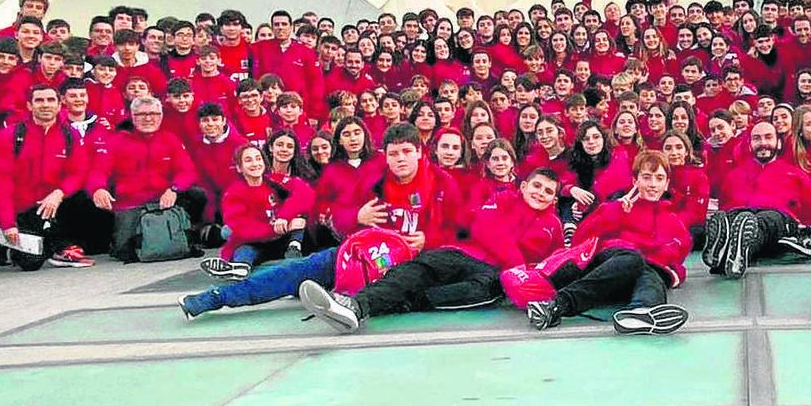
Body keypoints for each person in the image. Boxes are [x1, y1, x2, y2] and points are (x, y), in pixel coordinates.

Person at [179, 123, 462, 319]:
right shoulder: (373, 178)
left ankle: (344, 304)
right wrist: (357, 215)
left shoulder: (442, 183)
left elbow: (459, 231)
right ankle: (218, 297)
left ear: (420, 152)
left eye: (407, 152)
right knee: (295, 270)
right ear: (384, 155)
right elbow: (339, 215)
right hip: (362, 254)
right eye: (393, 153)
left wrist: (429, 240)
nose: (400, 159)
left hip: (412, 262)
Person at [296, 168, 567, 332]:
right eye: (537, 186)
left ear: (554, 199)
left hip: (497, 274)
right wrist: (518, 263)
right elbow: (486, 229)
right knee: (418, 270)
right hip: (465, 254)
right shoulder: (504, 198)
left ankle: (372, 308)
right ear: (523, 186)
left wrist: (523, 277)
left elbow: (552, 262)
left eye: (548, 191)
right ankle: (355, 305)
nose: (540, 193)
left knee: (475, 292)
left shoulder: (553, 226)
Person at [524, 151, 692, 335]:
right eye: (646, 177)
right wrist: (616, 211)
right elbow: (580, 237)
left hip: (632, 283)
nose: (653, 184)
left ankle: (640, 312)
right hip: (607, 268)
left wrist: (669, 270)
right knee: (633, 258)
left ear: (666, 184)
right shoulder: (614, 207)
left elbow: (677, 256)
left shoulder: (673, 221)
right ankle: (558, 305)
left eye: (659, 178)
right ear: (635, 181)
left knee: (651, 272)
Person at [85, 96, 206, 262]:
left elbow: (188, 172)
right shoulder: (116, 141)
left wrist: (174, 189)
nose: (148, 118)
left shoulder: (170, 139)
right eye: (142, 114)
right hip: (130, 205)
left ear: (161, 116)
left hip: (164, 202)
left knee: (198, 194)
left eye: (153, 114)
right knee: (125, 251)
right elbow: (98, 171)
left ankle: (190, 233)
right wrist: (98, 189)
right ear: (133, 117)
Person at [0, 83, 94, 271]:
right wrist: (8, 224)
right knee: (30, 263)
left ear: (59, 105)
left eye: (51, 100)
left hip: (55, 204)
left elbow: (78, 172)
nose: (45, 105)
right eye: (39, 100)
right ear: (29, 105)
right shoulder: (10, 135)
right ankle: (43, 246)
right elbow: (1, 183)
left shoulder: (70, 134)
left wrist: (59, 193)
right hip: (23, 208)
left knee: (82, 196)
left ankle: (61, 246)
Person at [706, 120, 811, 277]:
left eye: (768, 137)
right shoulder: (734, 175)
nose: (763, 143)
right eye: (757, 138)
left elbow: (810, 214)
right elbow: (725, 204)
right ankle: (725, 249)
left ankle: (734, 252)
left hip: (778, 221)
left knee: (762, 221)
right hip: (740, 215)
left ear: (778, 143)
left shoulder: (796, 175)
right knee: (732, 217)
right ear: (750, 144)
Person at [201, 143, 312, 278]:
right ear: (239, 167)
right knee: (245, 250)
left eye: (258, 159)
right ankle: (240, 267)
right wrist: (275, 229)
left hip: (281, 239)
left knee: (299, 220)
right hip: (255, 242)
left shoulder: (274, 181)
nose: (255, 164)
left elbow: (306, 193)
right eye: (248, 160)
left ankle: (294, 252)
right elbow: (242, 228)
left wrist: (285, 216)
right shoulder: (233, 194)